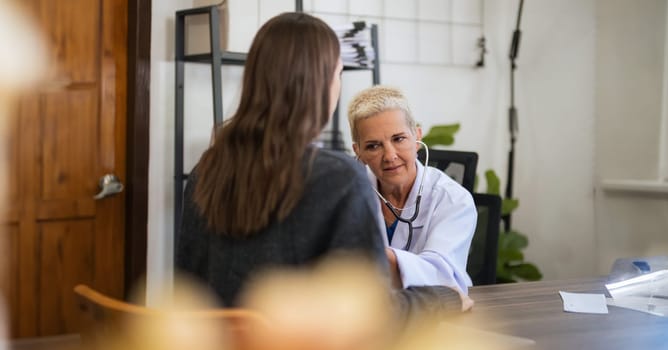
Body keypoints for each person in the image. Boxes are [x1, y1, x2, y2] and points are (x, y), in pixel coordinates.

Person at [175, 12, 467, 323]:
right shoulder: (337, 179)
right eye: (339, 73)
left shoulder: (206, 170)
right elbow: (372, 316)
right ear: (321, 82)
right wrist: (445, 299)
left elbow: (186, 293)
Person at [348, 85, 477, 295]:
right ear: (358, 152)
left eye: (398, 139)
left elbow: (443, 275)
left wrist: (372, 256)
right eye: (373, 146)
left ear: (417, 137)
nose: (389, 156)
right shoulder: (349, 196)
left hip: (439, 316)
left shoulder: (452, 199)